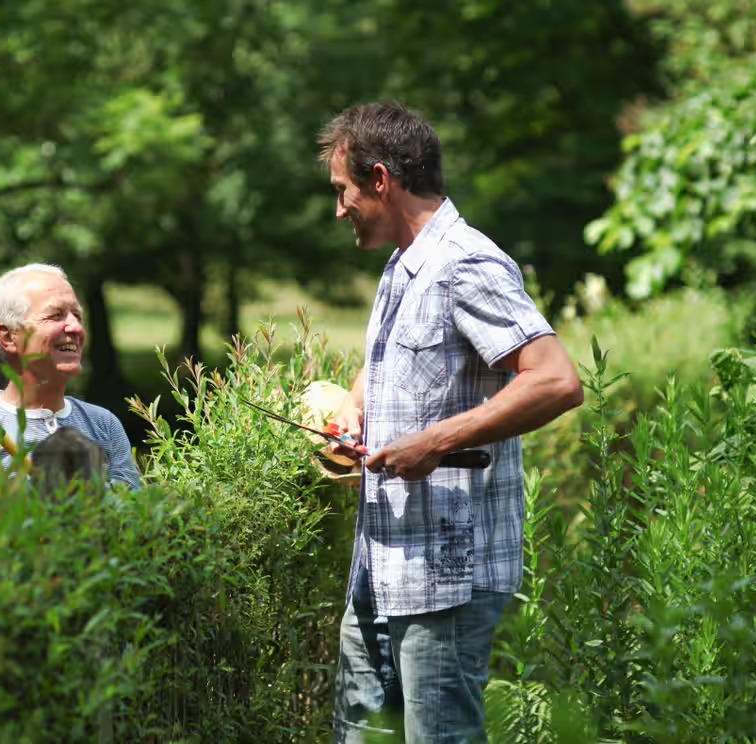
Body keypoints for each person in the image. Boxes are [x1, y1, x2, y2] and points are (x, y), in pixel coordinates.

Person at [317, 101, 583, 743]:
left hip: (445, 574)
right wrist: (355, 406)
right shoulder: (399, 267)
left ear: (381, 179)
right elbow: (391, 362)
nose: (338, 209)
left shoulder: (466, 262)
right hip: (380, 566)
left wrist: (435, 441)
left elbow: (556, 379)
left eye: (343, 191)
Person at [0, 264, 141, 506]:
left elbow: (135, 520)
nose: (76, 327)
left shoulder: (103, 424)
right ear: (8, 337)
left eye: (77, 315)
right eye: (55, 315)